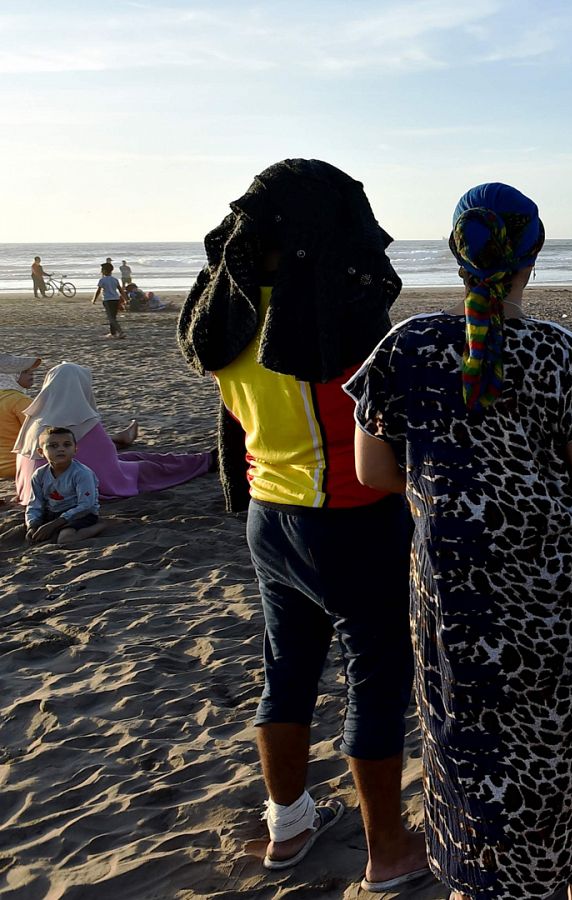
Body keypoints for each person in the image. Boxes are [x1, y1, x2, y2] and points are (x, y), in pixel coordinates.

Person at [346, 181, 572, 898]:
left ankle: (481, 880)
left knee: (463, 746)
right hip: (556, 602)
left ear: (456, 252)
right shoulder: (561, 354)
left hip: (453, 599)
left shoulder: (405, 346)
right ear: (533, 256)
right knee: (564, 747)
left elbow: (370, 468)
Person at [174, 159, 425, 890]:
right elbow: (383, 428)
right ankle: (387, 849)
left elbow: (233, 416)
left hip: (268, 514)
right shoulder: (328, 318)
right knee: (375, 679)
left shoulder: (228, 314)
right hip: (351, 519)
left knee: (286, 670)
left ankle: (288, 824)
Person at [13, 362, 211, 506]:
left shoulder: (35, 419)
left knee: (133, 456)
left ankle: (202, 459)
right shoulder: (83, 421)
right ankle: (204, 461)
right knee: (148, 467)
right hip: (68, 488)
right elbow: (109, 472)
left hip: (31, 489)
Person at [25, 427, 110, 546]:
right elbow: (35, 503)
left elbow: (86, 505)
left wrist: (55, 524)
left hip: (81, 514)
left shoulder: (82, 473)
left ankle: (103, 524)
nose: (61, 449)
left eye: (67, 445)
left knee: (65, 539)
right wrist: (32, 525)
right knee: (35, 536)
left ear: (75, 449)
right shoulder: (39, 474)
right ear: (41, 452)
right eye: (53, 446)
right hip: (53, 513)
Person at [0, 355, 41, 480]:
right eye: (25, 372)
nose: (31, 374)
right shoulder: (20, 401)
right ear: (13, 375)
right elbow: (36, 434)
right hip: (15, 465)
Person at [92, 262, 125, 339]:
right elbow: (120, 290)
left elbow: (98, 291)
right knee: (113, 317)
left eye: (102, 270)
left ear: (104, 271)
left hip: (108, 300)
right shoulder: (115, 280)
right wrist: (125, 298)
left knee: (111, 317)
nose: (101, 271)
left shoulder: (102, 280)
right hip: (116, 299)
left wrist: (94, 299)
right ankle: (113, 333)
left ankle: (120, 332)